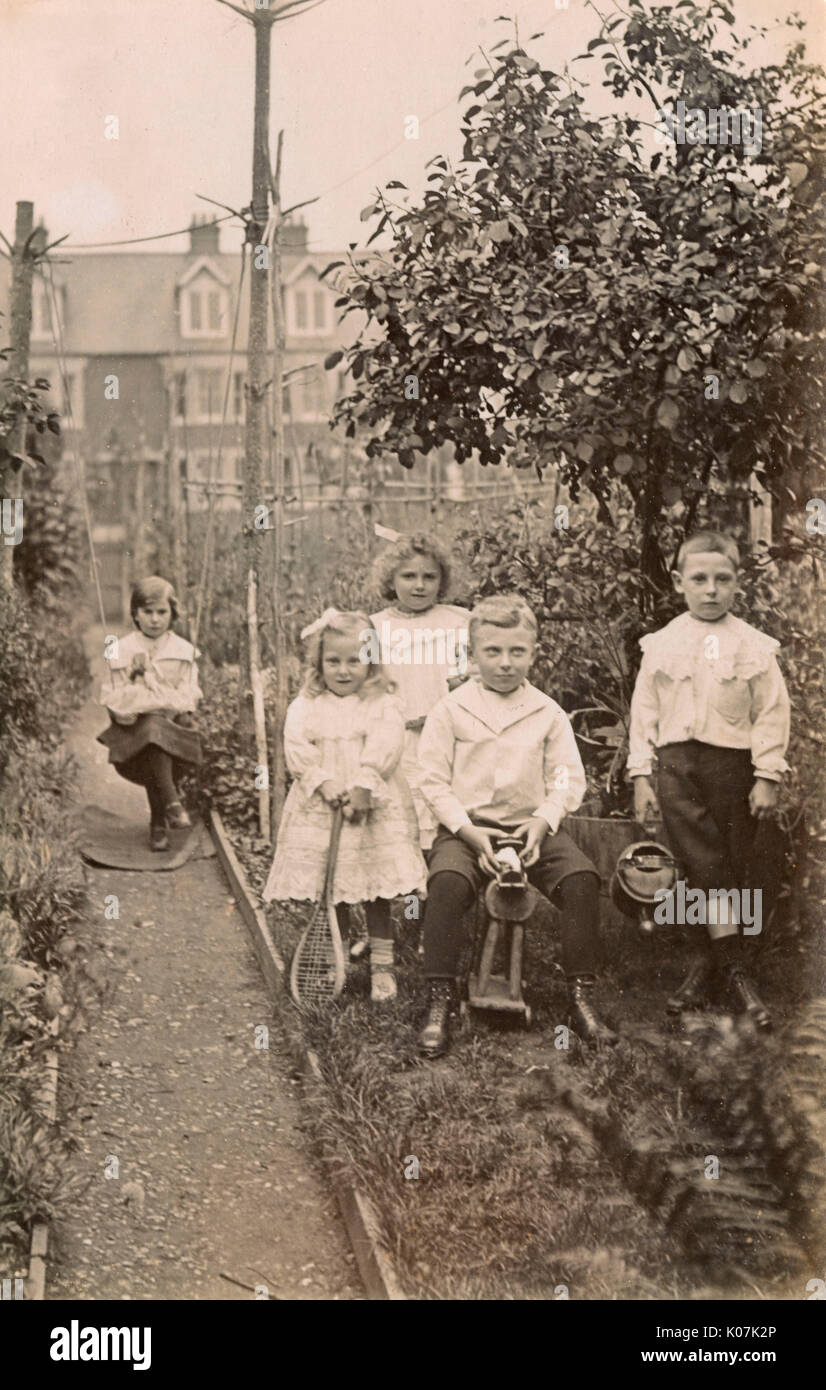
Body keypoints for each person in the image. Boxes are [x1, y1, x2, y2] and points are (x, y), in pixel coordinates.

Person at [415, 594, 617, 1058]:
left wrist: (544, 822)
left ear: (534, 652)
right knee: (445, 882)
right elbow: (431, 780)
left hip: (531, 829)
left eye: (517, 652)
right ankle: (440, 997)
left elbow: (566, 778)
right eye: (493, 652)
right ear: (472, 655)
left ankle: (580, 995)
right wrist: (467, 832)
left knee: (582, 880)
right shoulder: (451, 709)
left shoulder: (546, 711)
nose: (505, 663)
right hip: (469, 829)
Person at [627, 529, 790, 1029]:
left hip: (732, 769)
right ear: (679, 582)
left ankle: (708, 966)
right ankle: (735, 971)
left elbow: (772, 713)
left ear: (739, 583)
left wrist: (767, 774)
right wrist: (640, 775)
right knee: (702, 864)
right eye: (699, 579)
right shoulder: (663, 644)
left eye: (723, 579)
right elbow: (644, 713)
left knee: (731, 865)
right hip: (676, 768)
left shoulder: (752, 647)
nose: (711, 589)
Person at [262, 609, 427, 1002]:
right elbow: (297, 747)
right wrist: (324, 782)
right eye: (333, 661)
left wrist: (365, 784)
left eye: (354, 661)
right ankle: (331, 956)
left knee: (374, 890)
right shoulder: (307, 704)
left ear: (371, 661)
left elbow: (387, 745)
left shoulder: (382, 702)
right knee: (330, 885)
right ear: (318, 663)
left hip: (369, 809)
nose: (342, 670)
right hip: (324, 808)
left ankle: (382, 966)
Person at [371, 532, 471, 851]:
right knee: (400, 813)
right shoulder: (374, 626)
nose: (419, 585)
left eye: (429, 577)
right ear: (391, 578)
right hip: (395, 737)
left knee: (440, 807)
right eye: (408, 576)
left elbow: (470, 673)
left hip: (444, 734)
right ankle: (405, 888)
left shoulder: (457, 622)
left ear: (441, 581)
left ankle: (440, 884)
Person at [97, 576, 202, 852]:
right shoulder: (121, 650)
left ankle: (161, 820)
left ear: (172, 614)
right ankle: (170, 806)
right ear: (135, 614)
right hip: (132, 745)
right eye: (147, 612)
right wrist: (134, 681)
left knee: (159, 732)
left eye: (162, 612)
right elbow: (114, 701)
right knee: (152, 731)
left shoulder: (184, 652)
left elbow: (188, 697)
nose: (155, 619)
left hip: (177, 741)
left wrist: (159, 704)